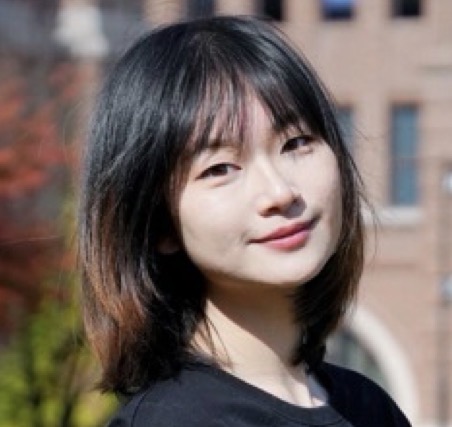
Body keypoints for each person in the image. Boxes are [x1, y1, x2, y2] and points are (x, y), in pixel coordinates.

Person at [78, 15, 412, 427]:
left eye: (296, 142)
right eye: (220, 168)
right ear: (158, 223)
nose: (279, 192)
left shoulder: (369, 408)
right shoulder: (172, 420)